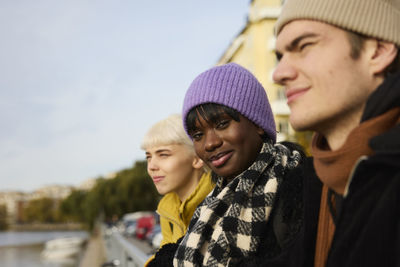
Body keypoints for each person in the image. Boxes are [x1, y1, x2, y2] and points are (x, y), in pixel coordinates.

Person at [273, 0, 400, 266]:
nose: (279, 73)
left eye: (304, 46)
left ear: (377, 51)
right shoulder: (319, 183)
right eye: (280, 56)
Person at [173, 63, 321, 266]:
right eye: (198, 135)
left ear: (258, 124)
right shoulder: (212, 203)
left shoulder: (304, 184)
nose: (210, 143)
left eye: (222, 124)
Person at [141, 114, 215, 266]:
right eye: (148, 157)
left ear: (197, 158)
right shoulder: (168, 210)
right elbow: (164, 255)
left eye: (163, 155)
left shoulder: (221, 200)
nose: (151, 166)